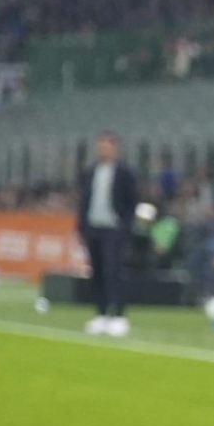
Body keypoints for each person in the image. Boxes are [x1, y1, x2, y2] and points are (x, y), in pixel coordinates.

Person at [76, 131, 139, 323]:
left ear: (115, 149)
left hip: (114, 229)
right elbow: (83, 201)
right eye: (101, 146)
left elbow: (131, 202)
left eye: (107, 146)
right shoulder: (90, 172)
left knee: (113, 271)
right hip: (93, 228)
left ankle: (118, 314)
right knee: (97, 272)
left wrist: (125, 226)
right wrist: (81, 227)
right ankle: (101, 313)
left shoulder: (124, 173)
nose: (103, 150)